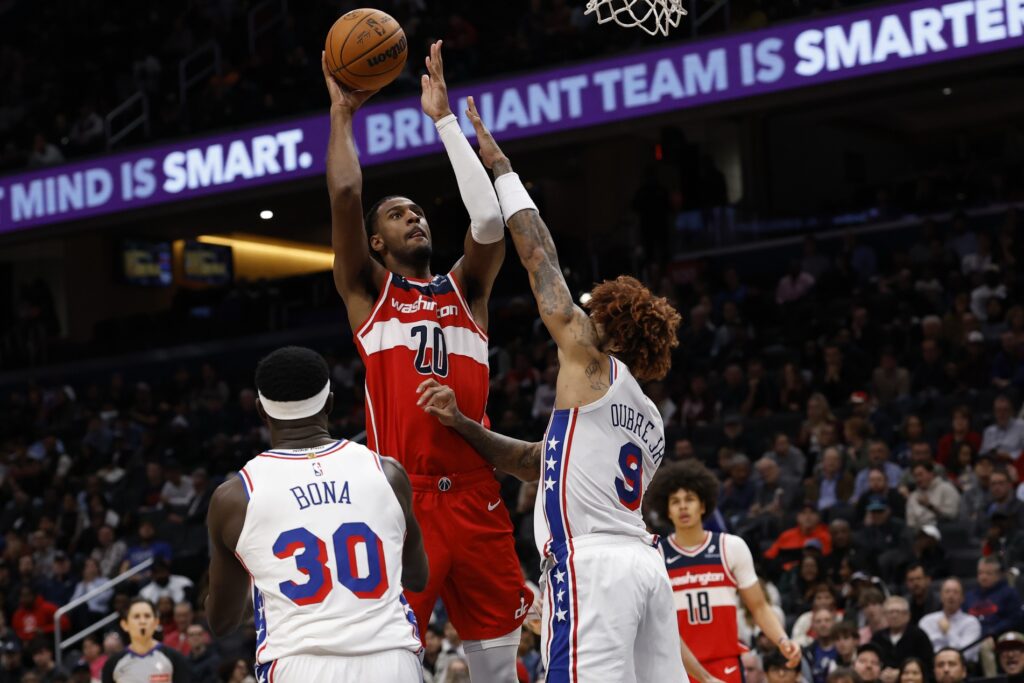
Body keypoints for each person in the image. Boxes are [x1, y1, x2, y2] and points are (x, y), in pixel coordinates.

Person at [417, 98, 686, 680]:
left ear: (610, 324)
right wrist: (466, 427)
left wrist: (503, 170)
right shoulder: (650, 418)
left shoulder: (589, 359)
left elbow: (540, 255)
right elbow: (545, 464)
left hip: (591, 565)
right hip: (645, 568)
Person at [322, 41, 531, 681]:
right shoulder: (368, 294)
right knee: (394, 664)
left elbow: (491, 218)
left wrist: (442, 120)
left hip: (476, 496)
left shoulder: (467, 290)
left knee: (500, 666)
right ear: (376, 241)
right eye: (397, 215)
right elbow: (347, 194)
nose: (414, 218)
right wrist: (342, 115)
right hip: (403, 499)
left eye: (418, 211)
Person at [204, 347, 428, 681]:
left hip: (300, 664)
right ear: (330, 403)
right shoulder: (388, 473)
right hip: (392, 660)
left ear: (261, 411)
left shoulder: (234, 498)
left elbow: (222, 622)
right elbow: (417, 577)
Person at [646, 461, 801, 682]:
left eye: (689, 499)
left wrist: (783, 640)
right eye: (675, 502)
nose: (682, 507)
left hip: (725, 663)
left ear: (703, 505)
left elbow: (758, 607)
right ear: (666, 510)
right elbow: (658, 624)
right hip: (676, 666)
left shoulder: (731, 547)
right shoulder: (657, 555)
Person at [101, 598, 189, 682]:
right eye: (136, 616)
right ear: (125, 624)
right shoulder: (113, 664)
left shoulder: (174, 658)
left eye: (147, 616)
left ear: (156, 622)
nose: (142, 621)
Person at [919, 578, 982, 663]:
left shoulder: (971, 622)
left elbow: (965, 655)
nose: (951, 596)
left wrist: (948, 632)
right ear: (941, 596)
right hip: (931, 667)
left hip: (962, 668)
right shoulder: (927, 621)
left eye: (955, 592)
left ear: (962, 598)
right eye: (947, 592)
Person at [871, 596, 934, 679]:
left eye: (898, 612)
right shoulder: (878, 637)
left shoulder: (919, 635)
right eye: (890, 612)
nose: (894, 615)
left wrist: (902, 672)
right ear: (885, 615)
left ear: (907, 615)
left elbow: (926, 664)